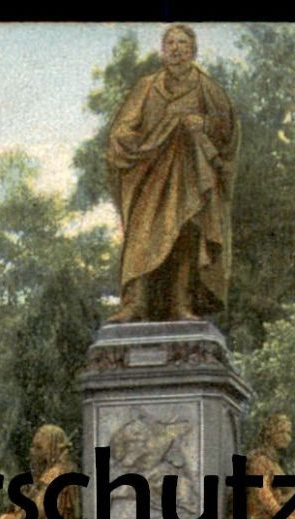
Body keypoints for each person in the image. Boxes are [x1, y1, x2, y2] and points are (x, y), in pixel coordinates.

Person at [104, 23, 238, 323]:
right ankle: (134, 304)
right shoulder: (147, 87)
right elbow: (121, 130)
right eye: (170, 44)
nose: (176, 48)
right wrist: (145, 142)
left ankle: (181, 304)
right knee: (142, 237)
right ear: (163, 52)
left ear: (193, 51)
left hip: (191, 180)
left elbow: (226, 132)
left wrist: (202, 124)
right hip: (151, 177)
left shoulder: (208, 90)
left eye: (182, 43)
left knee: (185, 238)